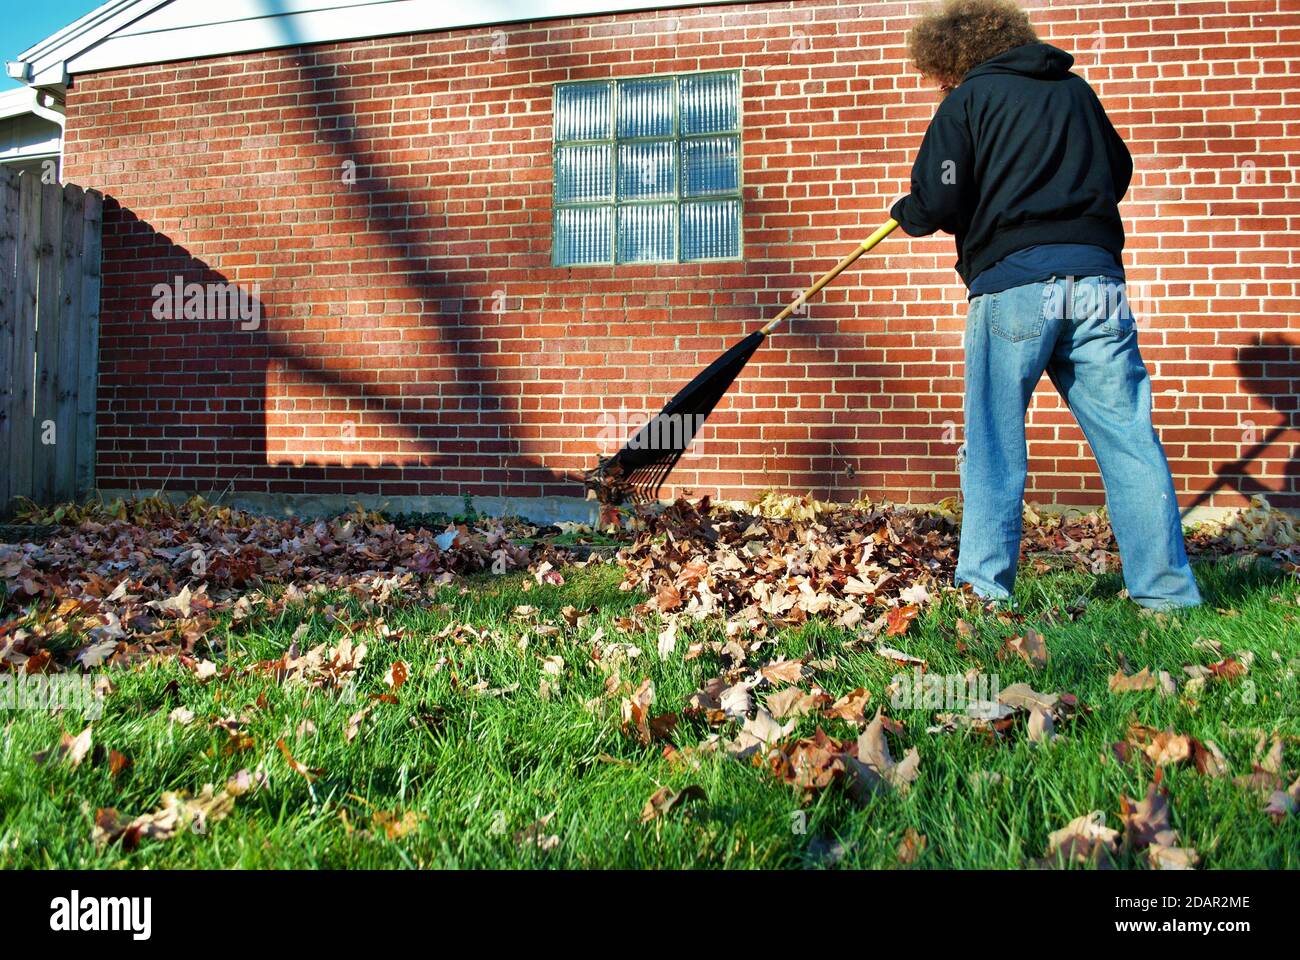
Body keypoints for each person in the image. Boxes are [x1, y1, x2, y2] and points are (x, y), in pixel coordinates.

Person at [890, 0, 1201, 610]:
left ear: (953, 58)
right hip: (1099, 286)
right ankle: (1168, 596)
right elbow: (1119, 170)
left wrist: (909, 210)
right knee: (1130, 439)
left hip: (1014, 289)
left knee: (993, 442)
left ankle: (984, 593)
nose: (942, 85)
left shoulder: (967, 102)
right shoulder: (1078, 93)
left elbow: (938, 199)